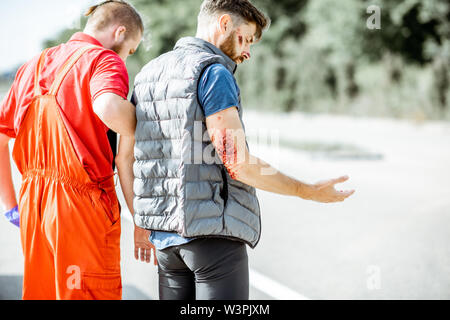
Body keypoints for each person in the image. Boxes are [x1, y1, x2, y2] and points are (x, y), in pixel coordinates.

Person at [121, 0, 355, 300]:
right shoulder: (213, 72)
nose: (247, 52)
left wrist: (142, 222)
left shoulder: (146, 75)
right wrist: (306, 190)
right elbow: (237, 162)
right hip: (212, 241)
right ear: (224, 24)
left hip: (167, 244)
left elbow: (125, 157)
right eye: (246, 38)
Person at [0, 0, 143, 300]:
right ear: (120, 32)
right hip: (80, 207)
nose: (127, 59)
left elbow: (1, 138)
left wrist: (11, 204)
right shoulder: (103, 60)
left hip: (33, 205)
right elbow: (108, 107)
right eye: (131, 50)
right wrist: (150, 128)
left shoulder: (31, 66)